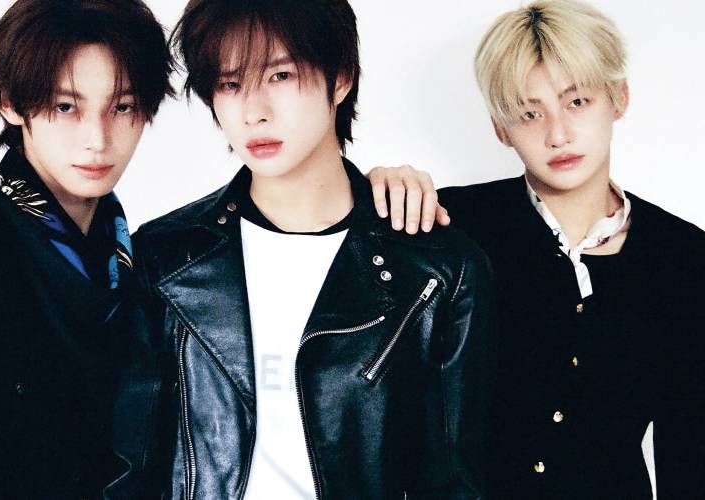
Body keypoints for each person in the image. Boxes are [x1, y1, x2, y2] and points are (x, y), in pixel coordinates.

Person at [107, 1, 494, 499]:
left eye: (280, 75)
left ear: (341, 78)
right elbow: (129, 467)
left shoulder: (436, 270)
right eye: (230, 84)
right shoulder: (166, 256)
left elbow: (455, 481)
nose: (254, 112)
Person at [407, 1, 703, 498]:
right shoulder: (449, 225)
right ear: (500, 129)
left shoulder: (684, 258)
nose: (558, 133)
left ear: (619, 98)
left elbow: (690, 454)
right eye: (529, 113)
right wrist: (375, 192)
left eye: (577, 102)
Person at [0, 1, 174, 497]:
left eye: (122, 107)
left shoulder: (140, 260)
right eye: (66, 107)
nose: (97, 140)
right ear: (10, 102)